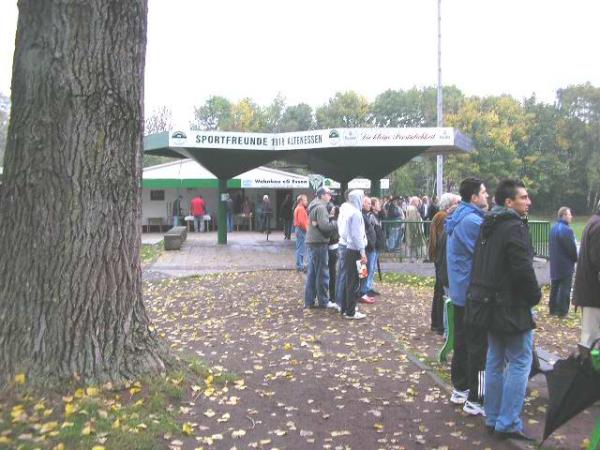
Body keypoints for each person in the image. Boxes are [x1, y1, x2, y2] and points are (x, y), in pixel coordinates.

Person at [471, 179, 541, 441]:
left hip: (489, 304)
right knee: (519, 361)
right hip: (510, 306)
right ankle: (508, 421)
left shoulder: (488, 224)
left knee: (495, 360)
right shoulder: (513, 227)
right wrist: (533, 296)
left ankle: (492, 417)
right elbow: (522, 268)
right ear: (509, 202)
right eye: (523, 198)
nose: (528, 201)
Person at [445, 177, 488, 415]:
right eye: (484, 193)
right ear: (474, 197)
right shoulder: (472, 221)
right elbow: (483, 255)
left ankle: (459, 388)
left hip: (461, 292)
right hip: (472, 292)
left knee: (461, 342)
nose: (487, 197)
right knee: (478, 347)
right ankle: (477, 397)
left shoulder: (458, 216)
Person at [428, 193, 460, 335]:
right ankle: (439, 324)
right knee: (441, 292)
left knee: (439, 291)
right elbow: (441, 237)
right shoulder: (443, 217)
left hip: (438, 257)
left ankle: (436, 322)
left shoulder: (439, 216)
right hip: (441, 258)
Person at [304, 187, 339, 311]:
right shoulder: (321, 207)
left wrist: (325, 219)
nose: (330, 196)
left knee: (312, 274)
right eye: (329, 194)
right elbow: (326, 227)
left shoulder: (314, 206)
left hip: (312, 242)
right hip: (319, 243)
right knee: (322, 273)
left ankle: (309, 301)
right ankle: (324, 301)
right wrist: (335, 222)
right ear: (322, 195)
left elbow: (320, 223)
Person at [572, 199, 600, 349]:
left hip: (590, 292)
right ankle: (588, 371)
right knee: (591, 341)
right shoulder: (598, 225)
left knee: (591, 339)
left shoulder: (594, 222)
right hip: (593, 294)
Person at [341, 189, 368, 319]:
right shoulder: (357, 214)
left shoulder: (351, 213)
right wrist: (363, 252)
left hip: (350, 250)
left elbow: (346, 234)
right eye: (362, 198)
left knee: (351, 280)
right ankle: (351, 311)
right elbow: (358, 236)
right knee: (357, 280)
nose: (363, 201)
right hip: (356, 252)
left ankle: (348, 308)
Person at [548, 207, 578, 317]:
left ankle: (552, 309)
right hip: (565, 263)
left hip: (555, 263)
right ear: (564, 216)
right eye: (569, 214)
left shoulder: (553, 228)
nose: (571, 216)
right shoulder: (566, 230)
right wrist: (575, 259)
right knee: (565, 288)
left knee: (555, 287)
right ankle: (562, 311)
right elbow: (571, 248)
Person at [335, 190, 353, 308]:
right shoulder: (349, 211)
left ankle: (340, 301)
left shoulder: (343, 210)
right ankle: (342, 302)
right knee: (345, 275)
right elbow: (348, 231)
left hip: (343, 244)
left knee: (341, 273)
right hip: (347, 245)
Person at [366, 197, 385, 297]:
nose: (380, 206)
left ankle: (369, 286)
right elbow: (369, 232)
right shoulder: (370, 216)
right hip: (372, 246)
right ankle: (365, 288)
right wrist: (371, 243)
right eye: (377, 204)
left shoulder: (377, 216)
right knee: (369, 267)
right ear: (373, 206)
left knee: (372, 268)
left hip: (376, 245)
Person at [359, 196, 376, 304]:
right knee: (364, 271)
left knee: (366, 271)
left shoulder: (365, 215)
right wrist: (370, 243)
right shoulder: (361, 215)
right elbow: (363, 232)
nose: (370, 205)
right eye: (368, 203)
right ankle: (362, 292)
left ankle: (363, 292)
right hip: (366, 248)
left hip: (369, 246)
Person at [327, 202, 340, 303]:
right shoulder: (335, 221)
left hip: (333, 248)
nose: (330, 212)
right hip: (334, 248)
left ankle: (333, 296)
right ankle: (333, 296)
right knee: (332, 272)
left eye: (332, 211)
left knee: (332, 273)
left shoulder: (333, 222)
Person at [405, 197, 425, 261]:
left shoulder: (411, 208)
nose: (418, 203)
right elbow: (412, 221)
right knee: (413, 244)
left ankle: (412, 258)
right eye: (417, 201)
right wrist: (415, 230)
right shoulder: (412, 209)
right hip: (413, 230)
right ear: (413, 202)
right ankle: (412, 259)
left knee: (412, 244)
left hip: (412, 230)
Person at [293, 195, 308, 272]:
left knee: (299, 247)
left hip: (298, 229)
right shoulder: (301, 209)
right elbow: (302, 222)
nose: (307, 202)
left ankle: (299, 264)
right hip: (301, 230)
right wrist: (307, 230)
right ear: (301, 201)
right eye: (305, 200)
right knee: (301, 248)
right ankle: (300, 265)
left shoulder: (297, 208)